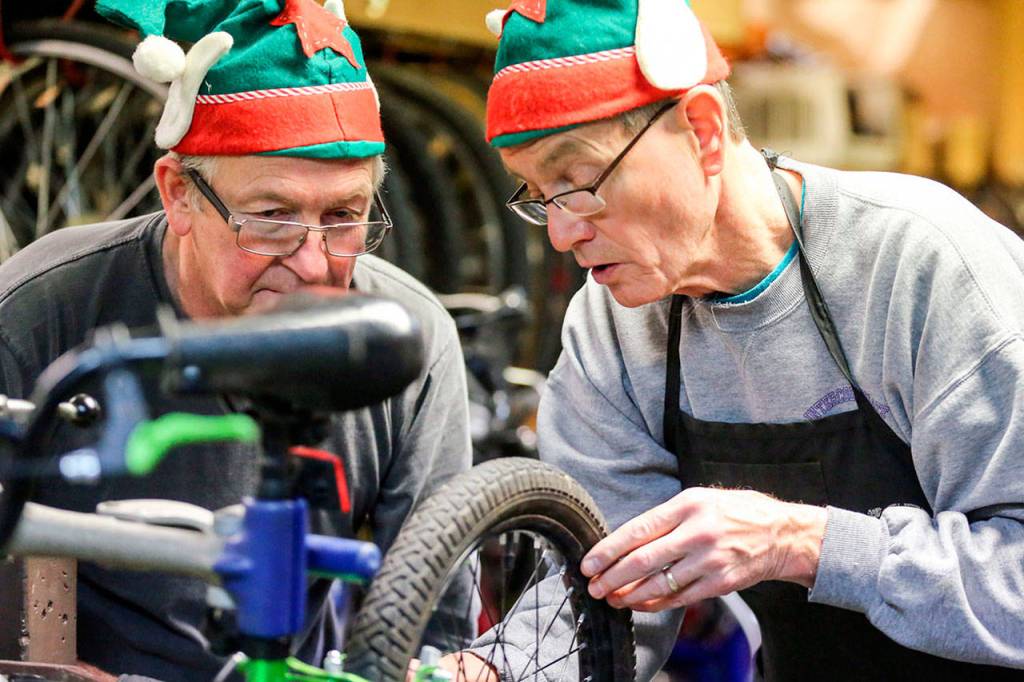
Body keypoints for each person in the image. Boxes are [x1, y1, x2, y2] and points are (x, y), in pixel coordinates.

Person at [451, 0, 1024, 679]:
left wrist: (800, 541)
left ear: (703, 130)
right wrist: (497, 670)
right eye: (541, 195)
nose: (561, 233)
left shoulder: (918, 267)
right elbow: (606, 590)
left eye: (578, 183)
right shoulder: (612, 326)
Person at [0, 0, 471, 680]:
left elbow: (436, 622)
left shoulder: (404, 341)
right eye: (273, 218)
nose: (313, 262)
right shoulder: (40, 312)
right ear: (178, 196)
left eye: (344, 216)